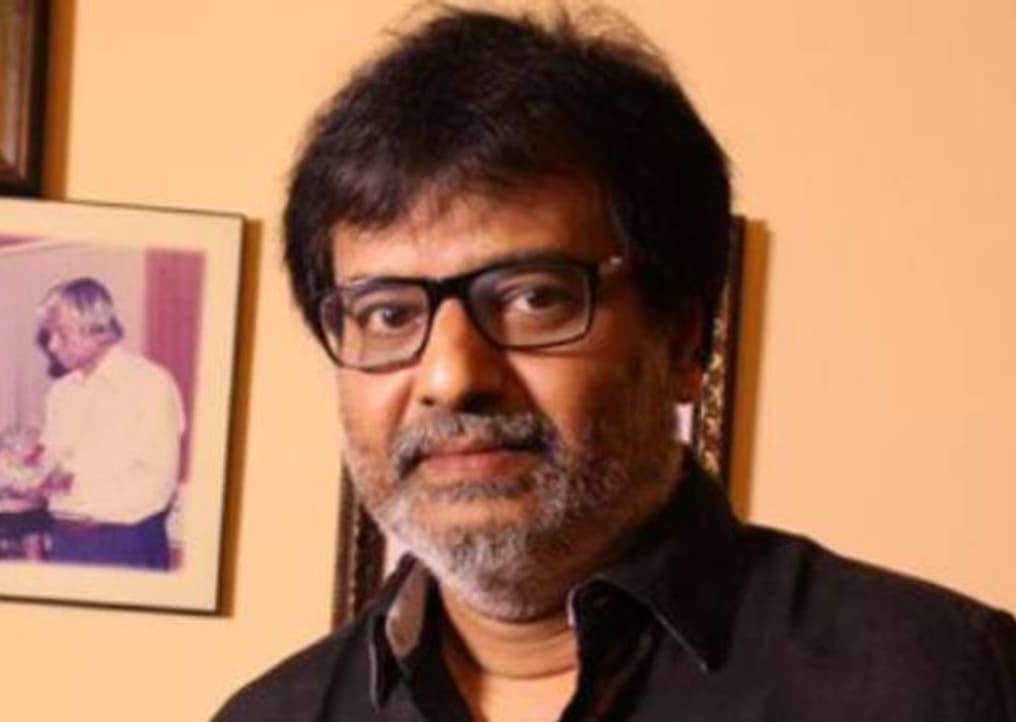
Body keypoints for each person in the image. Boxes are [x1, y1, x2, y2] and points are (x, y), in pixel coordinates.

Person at [215, 6, 1016, 721]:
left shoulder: (937, 682)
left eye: (533, 298)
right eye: (389, 314)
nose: (452, 377)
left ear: (683, 342)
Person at [35, 277, 186, 569]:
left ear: (97, 328)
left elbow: (157, 484)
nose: (52, 346)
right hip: (65, 544)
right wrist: (24, 478)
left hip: (126, 546)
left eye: (62, 334)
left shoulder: (150, 384)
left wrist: (78, 500)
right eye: (49, 335)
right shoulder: (60, 392)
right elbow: (52, 464)